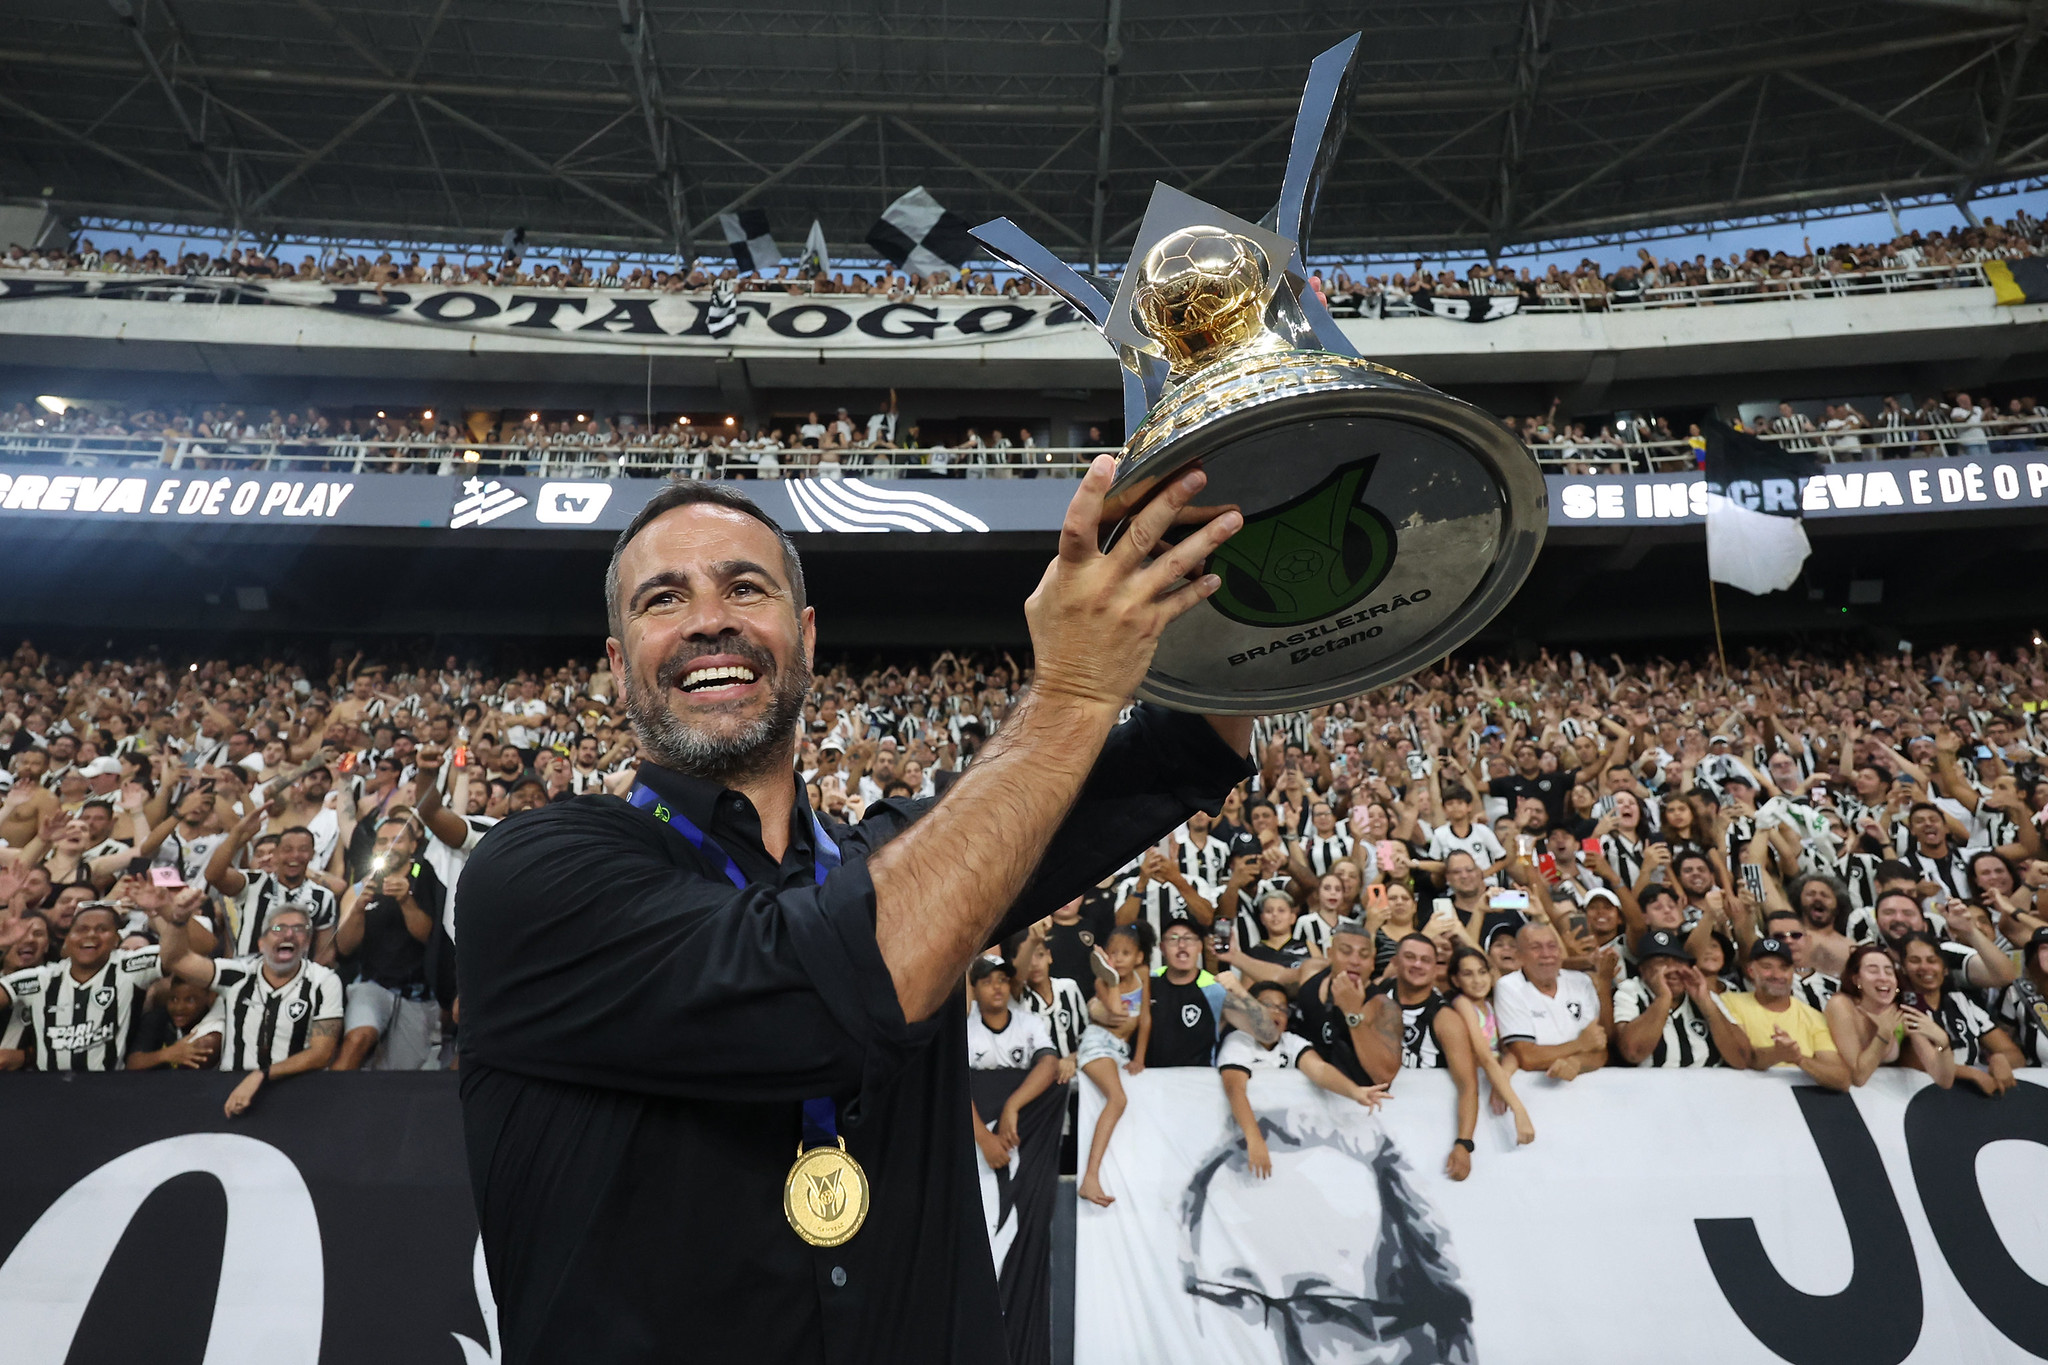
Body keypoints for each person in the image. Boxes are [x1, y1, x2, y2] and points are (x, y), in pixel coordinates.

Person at [453, 466, 1250, 1363]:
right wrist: (1066, 696)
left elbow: (1186, 746)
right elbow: (825, 991)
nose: (709, 619)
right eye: (664, 598)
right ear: (615, 663)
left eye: (744, 587)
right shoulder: (530, 879)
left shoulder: (916, 858)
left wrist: (1238, 511)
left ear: (805, 636)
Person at [158, 898, 343, 1116]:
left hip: (295, 1091)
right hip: (232, 1088)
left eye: (299, 929)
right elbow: (175, 960)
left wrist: (262, 1075)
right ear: (261, 943)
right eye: (278, 928)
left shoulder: (324, 982)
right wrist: (178, 920)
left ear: (307, 943)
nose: (289, 934)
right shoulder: (239, 974)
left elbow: (321, 1054)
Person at [1217, 980, 1387, 1178]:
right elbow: (1234, 1089)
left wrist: (1355, 1092)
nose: (1276, 1012)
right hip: (1245, 1136)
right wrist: (1254, 1137)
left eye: (1282, 1008)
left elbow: (1320, 1070)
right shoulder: (1239, 1040)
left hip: (1288, 1141)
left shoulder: (1290, 1042)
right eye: (1267, 1005)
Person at [1370, 932, 1483, 1179]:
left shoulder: (1446, 1020)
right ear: (1396, 962)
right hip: (1374, 1123)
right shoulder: (1378, 993)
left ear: (1435, 969)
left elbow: (1468, 1085)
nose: (1417, 965)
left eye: (1425, 960)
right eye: (1409, 957)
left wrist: (1464, 1144)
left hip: (1424, 1127)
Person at [0, 900, 164, 1070]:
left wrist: (172, 918)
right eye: (81, 929)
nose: (91, 935)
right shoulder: (39, 980)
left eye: (102, 929)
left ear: (117, 939)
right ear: (67, 940)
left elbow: (176, 957)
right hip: (48, 1089)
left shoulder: (128, 968)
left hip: (108, 1087)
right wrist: (2, 947)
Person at [1706, 935, 1851, 1089]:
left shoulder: (1813, 1017)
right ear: (1751, 971)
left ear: (1792, 972)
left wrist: (1799, 1060)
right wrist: (1778, 1053)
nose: (1776, 975)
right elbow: (1744, 1056)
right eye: (1767, 967)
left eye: (1783, 968)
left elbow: (1841, 1079)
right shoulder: (1729, 1002)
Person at [1896, 930, 2023, 1096]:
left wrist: (1999, 1060)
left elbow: (2014, 1055)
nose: (1925, 967)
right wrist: (1973, 1074)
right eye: (1914, 960)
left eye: (1932, 960)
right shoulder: (1902, 1007)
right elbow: (1919, 1064)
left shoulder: (1961, 1002)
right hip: (1926, 1097)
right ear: (1903, 969)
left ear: (1945, 969)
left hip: (1975, 1099)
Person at [1075, 924, 1150, 1207]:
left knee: (1121, 1102)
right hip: (1098, 1042)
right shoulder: (1102, 982)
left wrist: (1139, 1057)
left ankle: (1098, 1174)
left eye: (1126, 953)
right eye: (1113, 953)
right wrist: (1112, 979)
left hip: (1120, 1050)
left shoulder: (1143, 976)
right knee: (1118, 1100)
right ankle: (1090, 1177)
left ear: (1139, 958)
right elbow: (1117, 1012)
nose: (1118, 958)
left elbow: (1144, 1019)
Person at [963, 957, 1060, 1171]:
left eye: (1003, 980)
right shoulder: (966, 1031)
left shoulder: (1029, 1022)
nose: (997, 987)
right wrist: (984, 1138)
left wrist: (1012, 1106)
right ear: (974, 988)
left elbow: (1050, 1064)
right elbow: (956, 1087)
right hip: (975, 1138)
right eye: (987, 982)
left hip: (1024, 1131)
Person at [1824, 942, 1955, 1087]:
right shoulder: (1841, 1005)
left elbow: (1944, 1081)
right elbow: (1858, 1077)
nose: (1883, 978)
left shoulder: (1901, 1012)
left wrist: (1943, 1044)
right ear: (1857, 980)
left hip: (1882, 1099)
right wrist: (1883, 1035)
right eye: (1873, 971)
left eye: (1889, 971)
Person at [1444, 945, 1535, 1146]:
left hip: (1491, 1079)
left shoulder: (1491, 1006)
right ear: (1455, 980)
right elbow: (1484, 1056)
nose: (1477, 980)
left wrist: (1499, 1081)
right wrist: (1519, 1110)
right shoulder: (1462, 1004)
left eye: (1482, 972)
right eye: (1468, 974)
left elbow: (1512, 1052)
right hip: (1470, 1086)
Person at [1494, 922, 1609, 1081]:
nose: (1546, 954)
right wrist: (1579, 1045)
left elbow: (1599, 1050)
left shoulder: (1581, 982)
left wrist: (1577, 1062)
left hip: (1583, 1090)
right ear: (1519, 956)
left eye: (1552, 946)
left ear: (1561, 952)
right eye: (1536, 947)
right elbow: (1527, 1057)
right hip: (1529, 1091)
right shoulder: (1509, 986)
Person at [1610, 929, 1724, 1069]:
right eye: (1661, 961)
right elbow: (1633, 1052)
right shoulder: (1630, 990)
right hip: (1653, 1087)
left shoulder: (1700, 991)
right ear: (1643, 970)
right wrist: (1663, 998)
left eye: (1678, 961)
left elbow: (1741, 1058)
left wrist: (1706, 1003)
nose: (1672, 968)